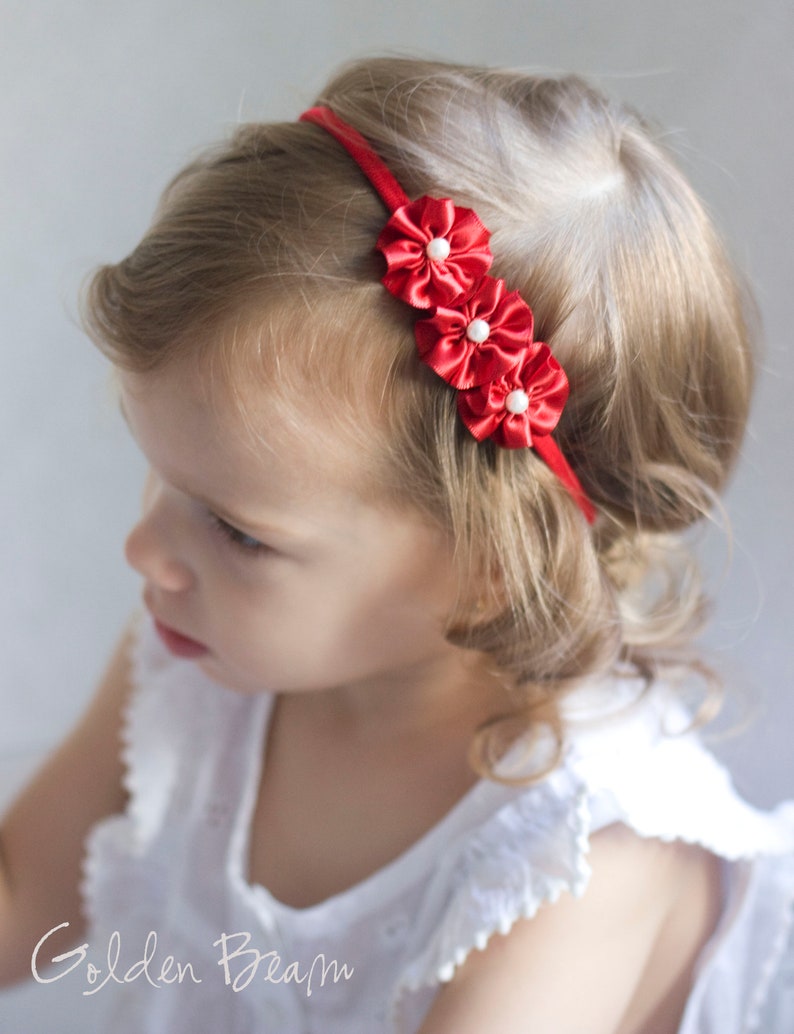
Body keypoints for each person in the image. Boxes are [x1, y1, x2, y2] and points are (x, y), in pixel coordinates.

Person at [1, 56, 792, 1034]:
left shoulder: (580, 854)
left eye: (238, 531)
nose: (145, 550)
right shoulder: (201, 657)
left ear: (495, 568)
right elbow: (22, 895)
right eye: (162, 478)